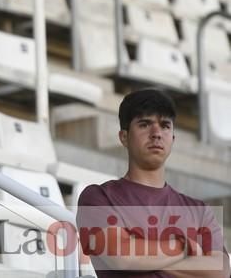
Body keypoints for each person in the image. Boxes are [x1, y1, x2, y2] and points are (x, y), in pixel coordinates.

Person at [77, 88, 230, 277]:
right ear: (124, 137)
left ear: (173, 139)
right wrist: (183, 247)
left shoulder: (199, 210)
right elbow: (123, 257)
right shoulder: (98, 197)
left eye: (165, 125)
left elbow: (220, 272)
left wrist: (146, 258)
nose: (156, 133)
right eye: (144, 124)